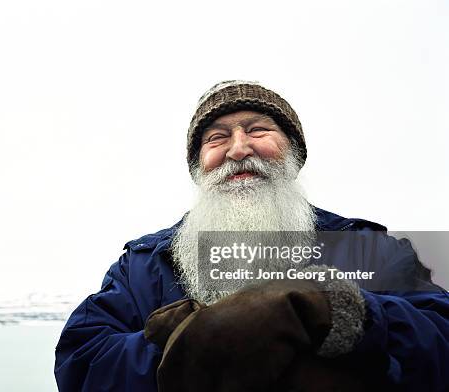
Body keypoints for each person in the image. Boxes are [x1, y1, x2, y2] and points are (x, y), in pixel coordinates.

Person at [53, 81, 449, 391]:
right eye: (217, 138)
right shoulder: (143, 264)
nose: (239, 149)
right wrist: (193, 339)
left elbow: (439, 338)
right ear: (200, 168)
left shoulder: (368, 249)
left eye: (258, 130)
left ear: (292, 154)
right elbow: (83, 363)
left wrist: (346, 313)